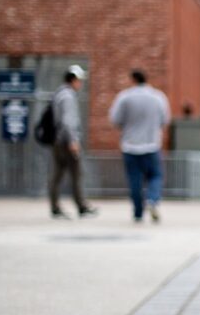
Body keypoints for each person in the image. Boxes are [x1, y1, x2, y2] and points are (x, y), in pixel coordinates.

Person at [109, 69, 170, 223]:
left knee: (134, 180)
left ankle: (137, 213)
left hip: (130, 146)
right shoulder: (158, 97)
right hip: (151, 145)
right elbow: (165, 120)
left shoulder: (124, 97)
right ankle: (152, 200)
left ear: (133, 79)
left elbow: (115, 119)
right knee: (155, 176)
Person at [50, 65, 99, 220]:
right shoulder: (68, 96)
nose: (81, 84)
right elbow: (68, 121)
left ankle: (56, 206)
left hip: (59, 141)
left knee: (58, 174)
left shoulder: (59, 93)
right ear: (73, 80)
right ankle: (80, 206)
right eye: (79, 80)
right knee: (76, 174)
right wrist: (73, 141)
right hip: (66, 142)